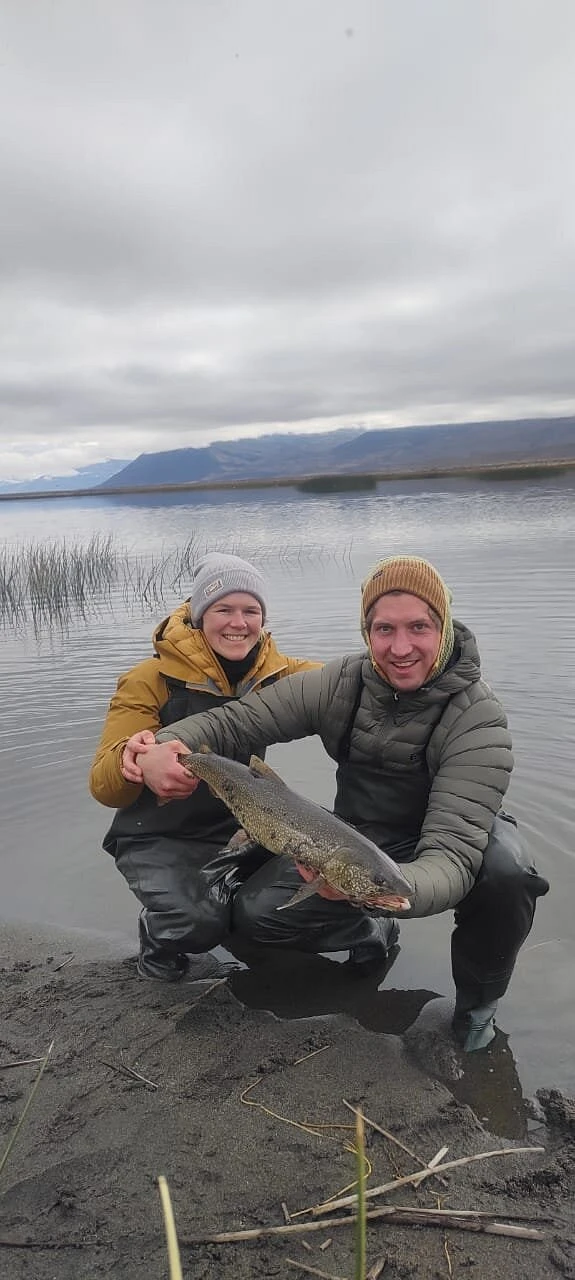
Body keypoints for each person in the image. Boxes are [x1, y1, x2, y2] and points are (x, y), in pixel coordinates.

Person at [121, 554, 549, 1051]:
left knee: (507, 872)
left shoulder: (478, 718)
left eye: (419, 627)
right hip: (360, 838)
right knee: (257, 917)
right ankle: (371, 927)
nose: (401, 646)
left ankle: (478, 1007)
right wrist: (163, 748)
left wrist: (371, 888)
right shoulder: (339, 684)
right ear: (367, 633)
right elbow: (232, 723)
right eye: (384, 629)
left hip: (453, 841)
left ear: (445, 628)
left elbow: (452, 857)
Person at [90, 552, 399, 981]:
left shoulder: (281, 675)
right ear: (199, 615)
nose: (239, 623)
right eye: (224, 609)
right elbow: (104, 787)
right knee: (199, 922)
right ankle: (163, 938)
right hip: (160, 837)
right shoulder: (147, 680)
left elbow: (355, 682)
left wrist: (421, 676)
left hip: (254, 829)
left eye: (250, 610)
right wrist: (139, 762)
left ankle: (370, 927)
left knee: (300, 892)